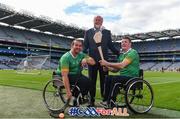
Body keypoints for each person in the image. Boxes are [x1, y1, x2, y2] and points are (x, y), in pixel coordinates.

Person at [83, 15, 119, 106]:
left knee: (105, 81)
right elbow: (85, 46)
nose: (97, 21)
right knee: (91, 81)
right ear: (93, 21)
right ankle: (91, 101)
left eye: (99, 20)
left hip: (104, 61)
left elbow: (110, 45)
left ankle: (105, 100)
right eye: (96, 20)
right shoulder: (88, 32)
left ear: (102, 22)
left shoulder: (107, 32)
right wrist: (84, 57)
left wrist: (119, 53)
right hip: (92, 61)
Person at [99, 37, 140, 107]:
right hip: (124, 78)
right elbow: (116, 70)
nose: (123, 43)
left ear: (130, 44)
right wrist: (107, 68)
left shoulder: (133, 52)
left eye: (125, 42)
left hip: (132, 78)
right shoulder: (121, 55)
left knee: (115, 79)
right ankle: (106, 100)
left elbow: (121, 65)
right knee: (108, 77)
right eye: (122, 42)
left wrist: (106, 63)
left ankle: (111, 101)